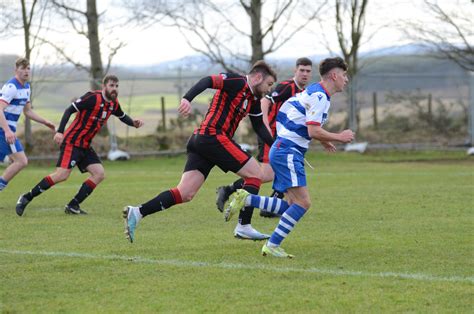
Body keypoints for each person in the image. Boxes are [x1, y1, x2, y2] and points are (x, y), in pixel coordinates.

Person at [123, 60, 277, 243]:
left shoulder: (253, 99)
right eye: (269, 84)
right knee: (255, 174)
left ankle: (138, 212)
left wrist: (277, 146)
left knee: (185, 193)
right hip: (213, 137)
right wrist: (187, 98)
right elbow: (207, 81)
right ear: (258, 77)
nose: (268, 90)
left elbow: (259, 127)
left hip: (202, 140)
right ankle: (244, 226)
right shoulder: (237, 81)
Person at [226, 57, 355, 258]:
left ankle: (247, 198)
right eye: (344, 75)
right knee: (303, 204)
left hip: (284, 149)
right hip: (288, 152)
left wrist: (324, 140)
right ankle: (272, 244)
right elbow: (312, 130)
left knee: (291, 205)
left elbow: (298, 117)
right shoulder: (320, 97)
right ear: (334, 75)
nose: (346, 80)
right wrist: (339, 137)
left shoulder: (315, 91)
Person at [15, 75, 144, 216]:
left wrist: (133, 123)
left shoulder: (113, 104)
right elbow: (69, 110)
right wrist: (60, 132)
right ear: (104, 86)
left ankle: (73, 205)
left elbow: (122, 115)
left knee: (99, 174)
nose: (114, 89)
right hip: (72, 141)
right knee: (61, 175)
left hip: (85, 145)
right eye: (111, 85)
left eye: (117, 86)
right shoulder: (92, 97)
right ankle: (26, 197)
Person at [215, 57, 313, 219]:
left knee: (276, 172)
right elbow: (264, 102)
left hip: (284, 138)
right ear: (295, 71)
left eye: (308, 71)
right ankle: (234, 193)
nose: (304, 74)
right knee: (265, 174)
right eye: (301, 70)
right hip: (272, 136)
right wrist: (267, 127)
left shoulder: (303, 92)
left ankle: (264, 203)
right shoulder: (287, 87)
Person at [0, 58, 55, 192]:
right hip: (3, 129)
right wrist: (7, 130)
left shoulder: (26, 87)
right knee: (21, 161)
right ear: (16, 70)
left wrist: (45, 122)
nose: (26, 71)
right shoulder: (12, 87)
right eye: (22, 68)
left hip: (7, 129)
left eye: (28, 68)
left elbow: (28, 111)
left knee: (19, 161)